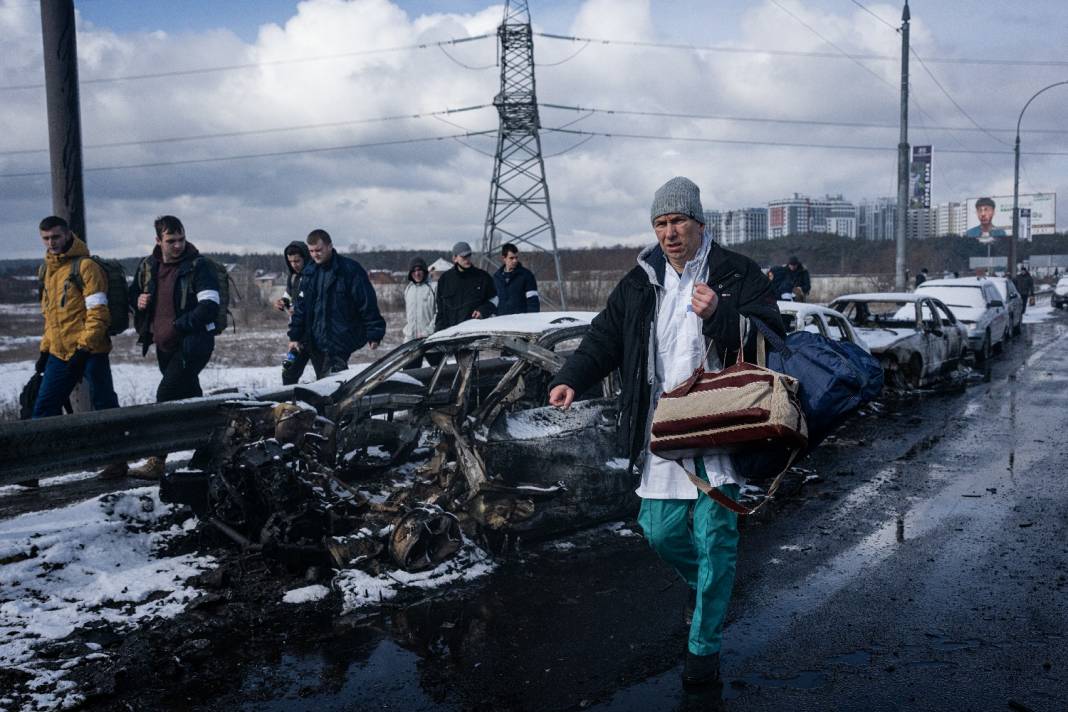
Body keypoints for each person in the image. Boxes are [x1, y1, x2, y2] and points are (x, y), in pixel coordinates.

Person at [546, 177, 784, 689]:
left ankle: (703, 653)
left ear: (700, 222)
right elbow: (604, 338)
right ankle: (707, 592)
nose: (669, 233)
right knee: (659, 530)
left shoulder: (736, 273)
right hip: (663, 427)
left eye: (678, 221)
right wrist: (570, 377)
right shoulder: (639, 280)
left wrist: (722, 315)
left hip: (723, 426)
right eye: (660, 224)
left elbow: (772, 335)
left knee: (715, 535)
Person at [30, 216, 124, 483]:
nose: (52, 243)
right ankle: (32, 468)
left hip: (91, 351)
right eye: (46, 238)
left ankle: (117, 460)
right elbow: (51, 317)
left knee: (104, 405)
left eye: (56, 237)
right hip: (59, 353)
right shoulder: (46, 270)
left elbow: (98, 313)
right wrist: (44, 350)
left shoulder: (86, 267)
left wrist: (84, 348)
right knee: (44, 408)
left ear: (68, 234)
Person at [128, 215, 221, 479]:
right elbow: (132, 294)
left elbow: (210, 306)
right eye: (171, 241)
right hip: (163, 345)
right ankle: (210, 448)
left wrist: (178, 326)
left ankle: (156, 460)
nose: (178, 245)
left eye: (181, 239)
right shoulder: (148, 265)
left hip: (194, 343)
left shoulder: (199, 267)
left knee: (166, 395)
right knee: (190, 396)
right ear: (158, 240)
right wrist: (139, 299)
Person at [286, 229, 385, 378]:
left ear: (329, 246)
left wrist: (375, 332)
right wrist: (294, 336)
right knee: (321, 383)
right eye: (311, 251)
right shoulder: (309, 273)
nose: (314, 255)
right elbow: (301, 308)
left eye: (318, 250)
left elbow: (366, 302)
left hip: (339, 340)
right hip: (315, 341)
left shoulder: (349, 270)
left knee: (332, 384)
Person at [434, 241, 497, 331]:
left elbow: (495, 299)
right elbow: (440, 311)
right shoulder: (445, 280)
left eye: (469, 256)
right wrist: (438, 331)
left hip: (475, 332)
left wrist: (483, 310)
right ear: (455, 258)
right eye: (463, 257)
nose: (467, 259)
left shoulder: (482, 277)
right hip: (450, 333)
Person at [275, 241, 312, 385]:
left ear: (305, 258)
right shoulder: (293, 277)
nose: (294, 264)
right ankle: (290, 404)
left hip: (314, 335)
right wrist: (283, 302)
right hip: (298, 336)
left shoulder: (312, 277)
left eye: (297, 261)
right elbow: (288, 296)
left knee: (325, 376)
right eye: (290, 261)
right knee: (288, 374)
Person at [492, 243, 540, 315]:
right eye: (511, 258)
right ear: (504, 258)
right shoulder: (496, 277)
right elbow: (493, 301)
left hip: (521, 322)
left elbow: (533, 301)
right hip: (501, 321)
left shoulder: (526, 275)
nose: (515, 261)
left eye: (516, 258)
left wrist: (531, 320)